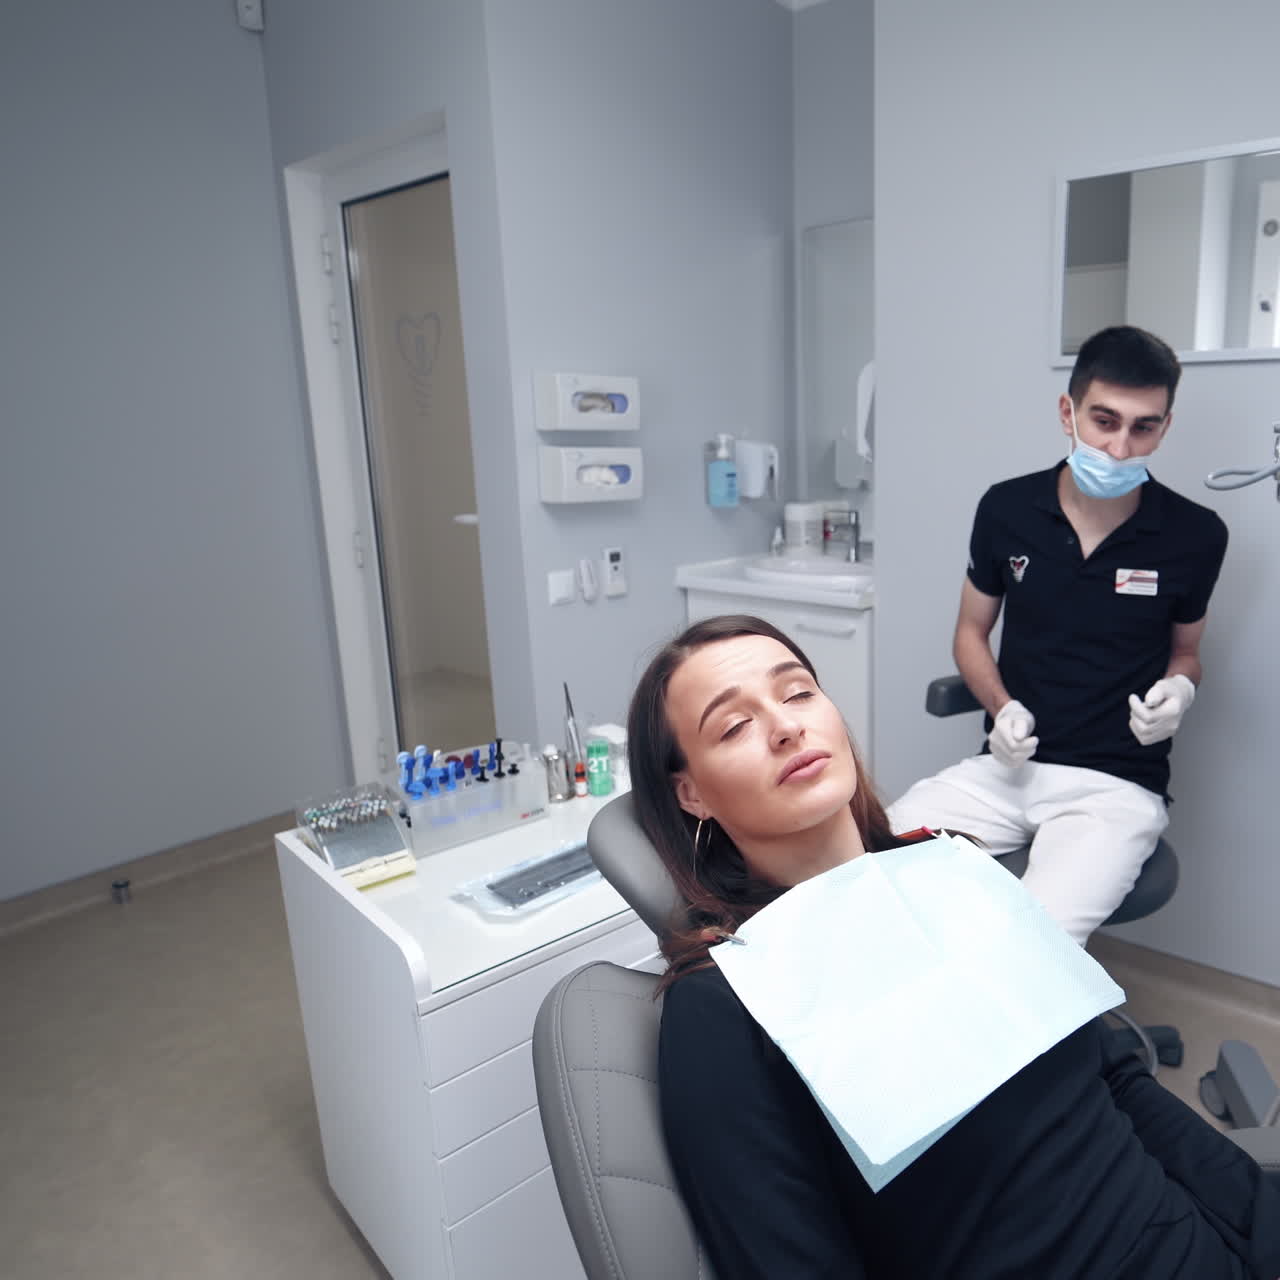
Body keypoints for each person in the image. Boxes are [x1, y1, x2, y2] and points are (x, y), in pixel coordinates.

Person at [629, 613, 1279, 1280]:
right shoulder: (727, 1006)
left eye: (798, 693)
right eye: (733, 726)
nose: (786, 726)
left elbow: (1116, 1080)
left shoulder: (956, 873)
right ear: (693, 793)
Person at [888, 325, 1229, 944]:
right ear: (1068, 412)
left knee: (1028, 946)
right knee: (870, 863)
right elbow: (970, 632)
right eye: (1104, 420)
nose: (1121, 447)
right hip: (1007, 769)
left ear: (1165, 427)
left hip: (1115, 787)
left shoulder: (1196, 534)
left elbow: (1187, 654)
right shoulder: (1007, 509)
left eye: (1143, 427)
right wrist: (1003, 707)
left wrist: (1181, 692)